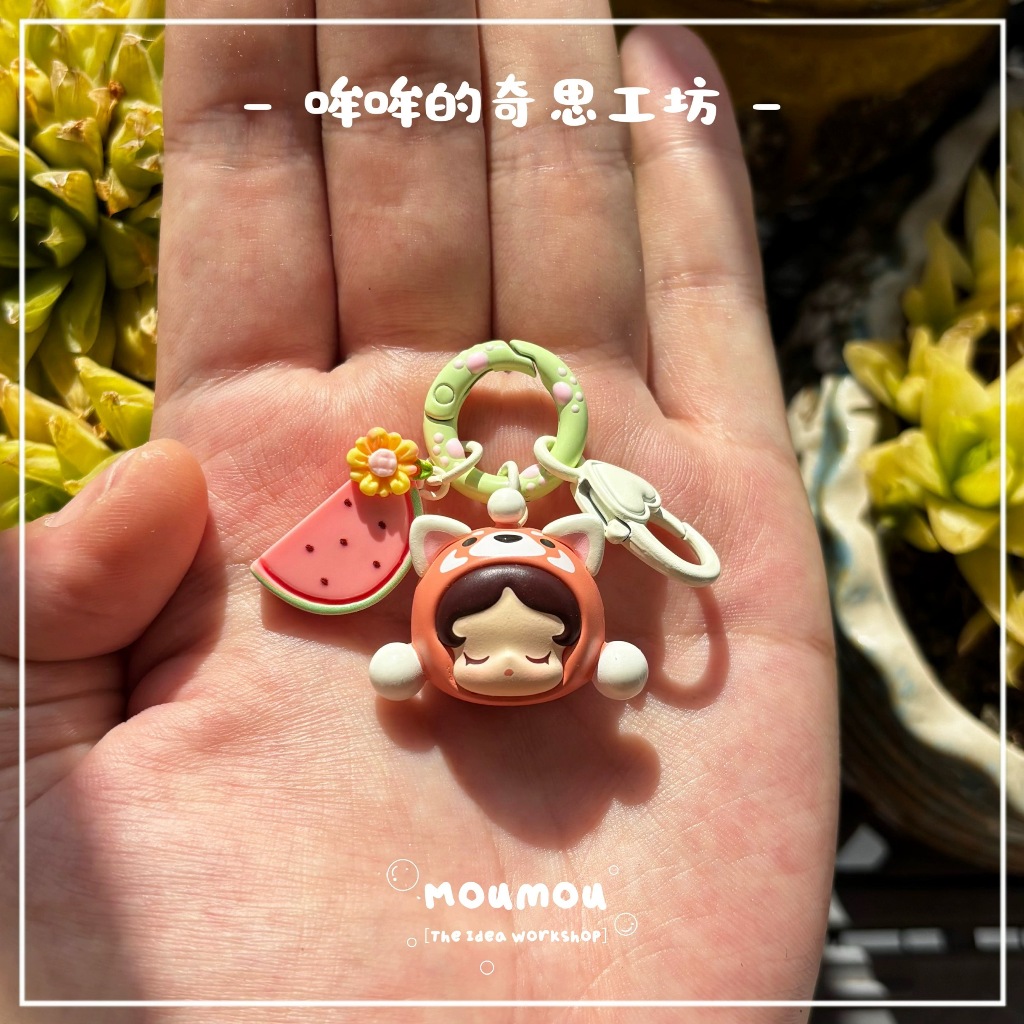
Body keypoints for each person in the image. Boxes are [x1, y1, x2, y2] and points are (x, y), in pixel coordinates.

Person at [0, 4, 839, 1018]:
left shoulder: (512, 556)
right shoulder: (465, 551)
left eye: (533, 646)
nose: (509, 663)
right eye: (481, 644)